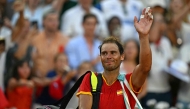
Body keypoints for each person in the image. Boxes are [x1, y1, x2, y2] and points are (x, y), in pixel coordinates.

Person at [77, 8, 153, 109]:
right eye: (104, 53)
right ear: (100, 57)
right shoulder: (90, 79)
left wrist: (143, 36)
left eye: (113, 53)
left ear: (122, 56)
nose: (108, 56)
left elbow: (145, 68)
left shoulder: (129, 81)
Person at [32, 9, 69, 77]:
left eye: (56, 20)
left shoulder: (65, 40)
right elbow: (31, 60)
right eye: (50, 20)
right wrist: (35, 70)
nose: (54, 23)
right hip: (39, 78)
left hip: (57, 79)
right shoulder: (35, 40)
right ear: (43, 22)